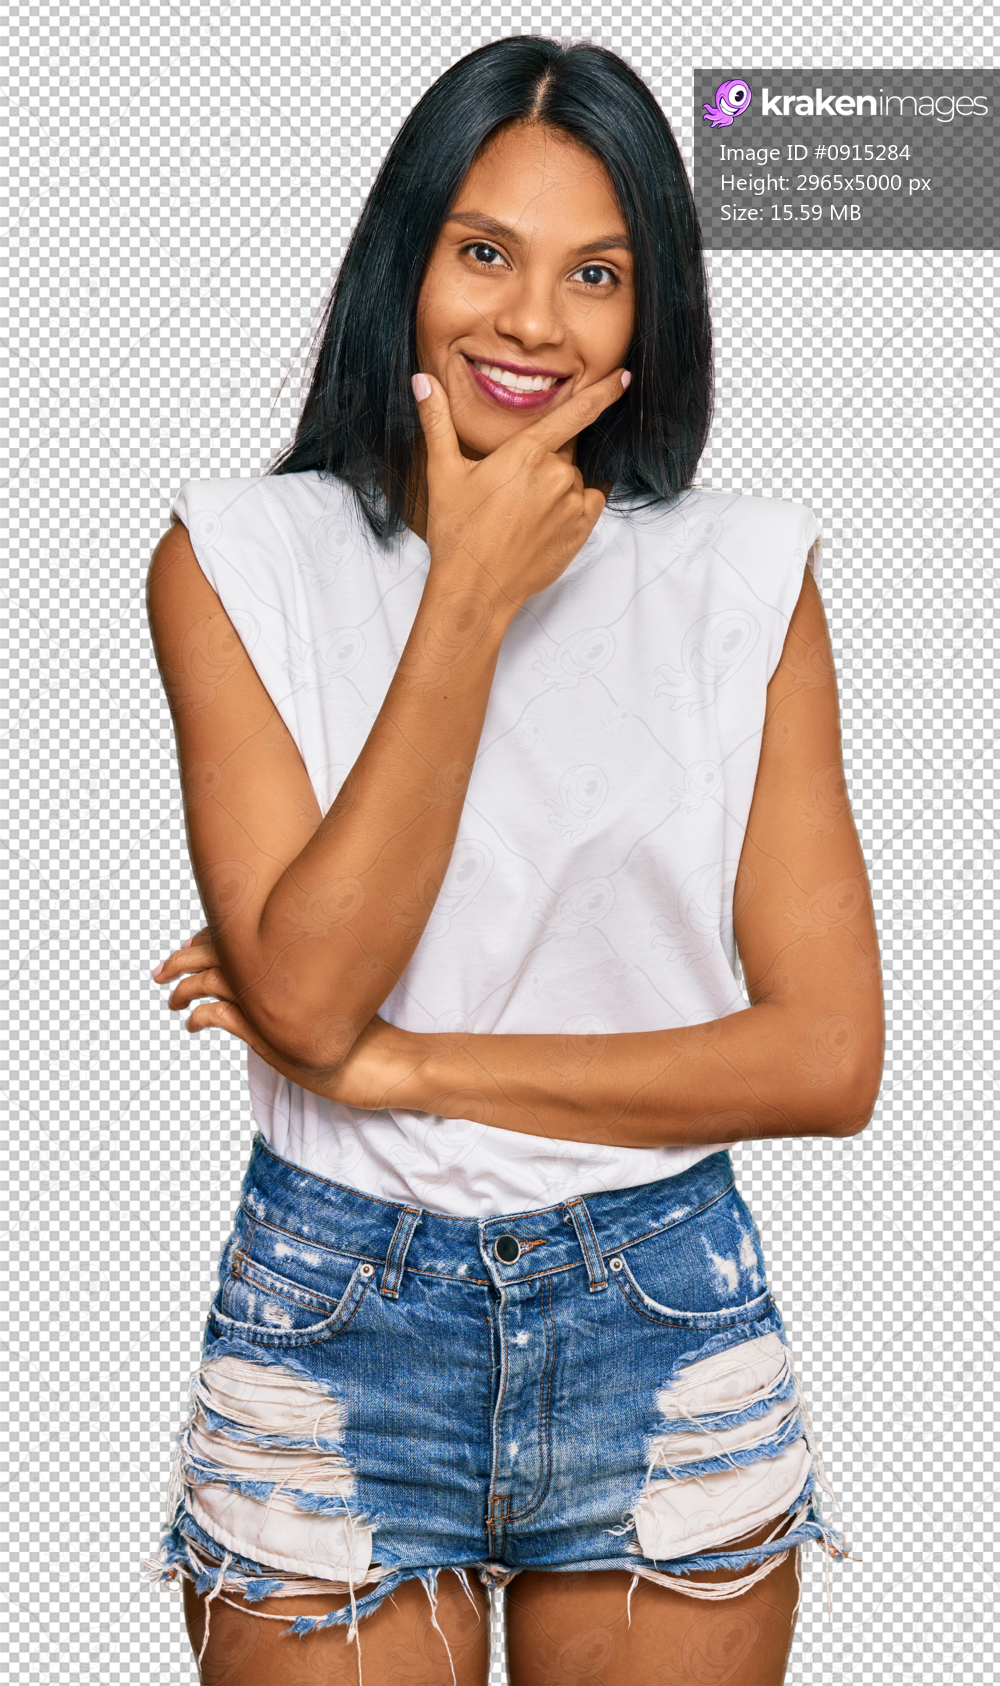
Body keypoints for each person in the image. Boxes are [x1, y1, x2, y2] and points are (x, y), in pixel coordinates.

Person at [143, 35, 884, 1686]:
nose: (533, 322)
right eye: (486, 253)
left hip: (658, 1309)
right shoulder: (238, 560)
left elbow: (829, 1057)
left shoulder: (741, 581)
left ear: (653, 309)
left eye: (596, 274)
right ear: (408, 259)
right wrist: (467, 599)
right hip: (339, 1308)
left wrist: (405, 1062)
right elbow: (308, 981)